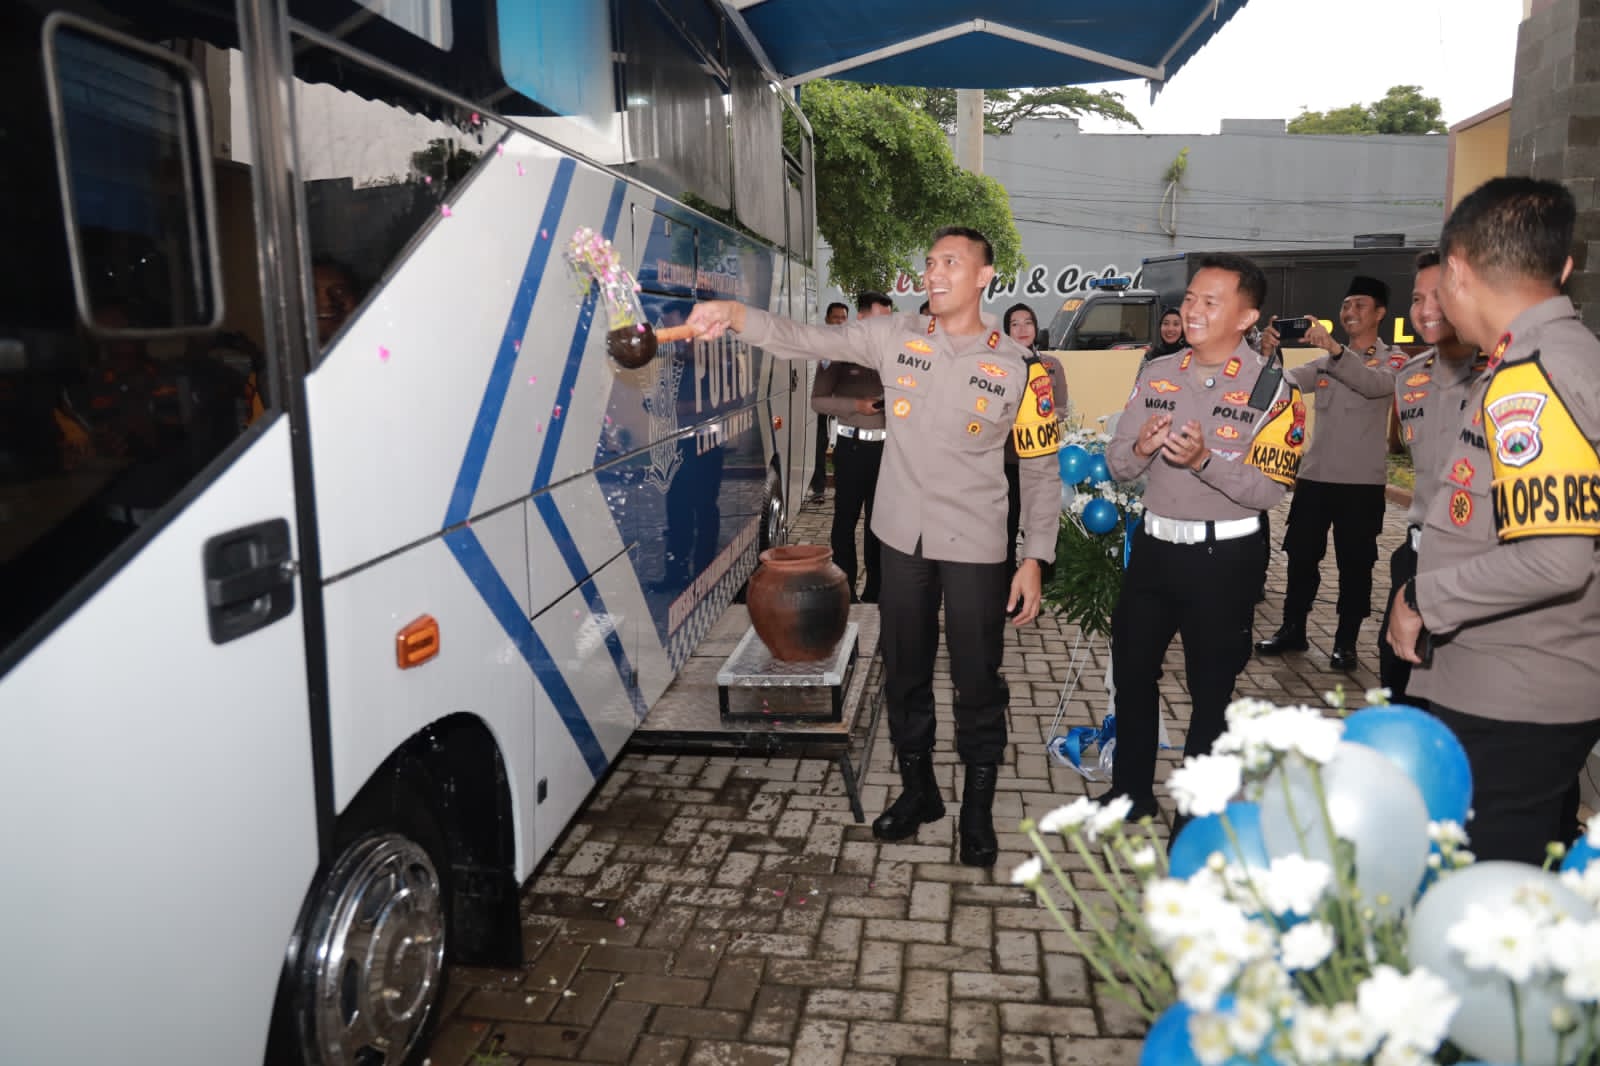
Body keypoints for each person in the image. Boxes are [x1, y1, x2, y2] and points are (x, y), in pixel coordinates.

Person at [686, 226, 1061, 867]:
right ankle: (919, 792)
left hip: (976, 544)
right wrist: (736, 315)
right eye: (930, 261)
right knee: (905, 671)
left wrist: (1034, 557)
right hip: (900, 538)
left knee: (976, 680)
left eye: (950, 262)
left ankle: (976, 808)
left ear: (983, 277)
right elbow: (806, 339)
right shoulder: (893, 335)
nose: (934, 272)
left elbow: (1041, 468)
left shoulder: (1024, 368)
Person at [1388, 177, 1600, 866]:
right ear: (1561, 267)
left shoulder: (1533, 376)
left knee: (1483, 893)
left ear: (1457, 272)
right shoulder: (1564, 356)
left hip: (1513, 692)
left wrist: (1422, 597)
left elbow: (1555, 558)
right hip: (1524, 680)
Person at [1102, 253, 1303, 824]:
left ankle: (1194, 817)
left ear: (1246, 317)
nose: (1192, 309)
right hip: (1154, 549)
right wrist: (1140, 449)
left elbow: (1268, 491)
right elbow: (1118, 464)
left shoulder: (1273, 390)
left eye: (1210, 301)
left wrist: (1204, 462)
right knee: (1132, 671)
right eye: (1190, 298)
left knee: (1210, 690)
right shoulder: (1156, 373)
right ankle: (1131, 794)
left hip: (1225, 558)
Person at [1314, 251, 1485, 703]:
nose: (1426, 309)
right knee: (1397, 680)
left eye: (1440, 296)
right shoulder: (1412, 377)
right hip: (1417, 553)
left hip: (1481, 563)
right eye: (1418, 298)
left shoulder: (1505, 378)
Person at [1256, 276, 1404, 671]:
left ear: (1380, 312)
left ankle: (1345, 641)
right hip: (1315, 478)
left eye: (1359, 305)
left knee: (1356, 564)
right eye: (1345, 305)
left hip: (1361, 484)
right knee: (1300, 557)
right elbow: (1280, 387)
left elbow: (1375, 386)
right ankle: (1293, 629)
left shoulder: (1391, 359)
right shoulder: (1323, 362)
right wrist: (1268, 354)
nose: (1349, 312)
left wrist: (1335, 349)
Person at [810, 293, 891, 602]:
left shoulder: (895, 352)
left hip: (887, 451)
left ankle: (875, 591)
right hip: (852, 448)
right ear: (862, 318)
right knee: (845, 520)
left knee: (879, 524)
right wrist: (855, 405)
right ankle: (845, 589)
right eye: (879, 318)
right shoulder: (838, 351)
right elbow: (818, 401)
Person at [1001, 302, 1068, 575]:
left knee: (1038, 524)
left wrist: (1045, 415)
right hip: (1006, 461)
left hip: (1040, 462)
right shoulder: (998, 368)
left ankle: (1036, 581)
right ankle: (1005, 586)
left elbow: (1062, 406)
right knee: (1005, 528)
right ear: (1006, 331)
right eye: (1014, 324)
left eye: (1027, 322)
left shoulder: (1051, 365)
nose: (1022, 329)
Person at [806, 302, 849, 502]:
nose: (839, 321)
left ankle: (843, 488)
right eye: (835, 317)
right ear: (827, 319)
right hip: (822, 403)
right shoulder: (817, 342)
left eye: (843, 318)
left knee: (843, 449)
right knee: (819, 444)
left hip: (844, 404)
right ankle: (819, 489)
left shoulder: (852, 344)